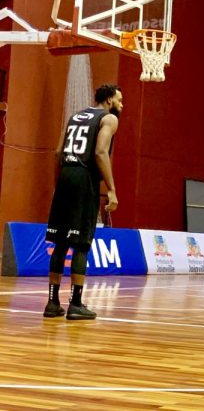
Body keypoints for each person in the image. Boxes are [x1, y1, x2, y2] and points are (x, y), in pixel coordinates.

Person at [44, 84, 123, 320]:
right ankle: (76, 304)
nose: (121, 105)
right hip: (83, 178)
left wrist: (59, 184)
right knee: (81, 244)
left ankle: (52, 303)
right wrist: (111, 189)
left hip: (66, 175)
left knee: (60, 243)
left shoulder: (75, 116)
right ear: (109, 100)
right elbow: (100, 152)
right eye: (119, 100)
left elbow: (58, 153)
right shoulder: (109, 119)